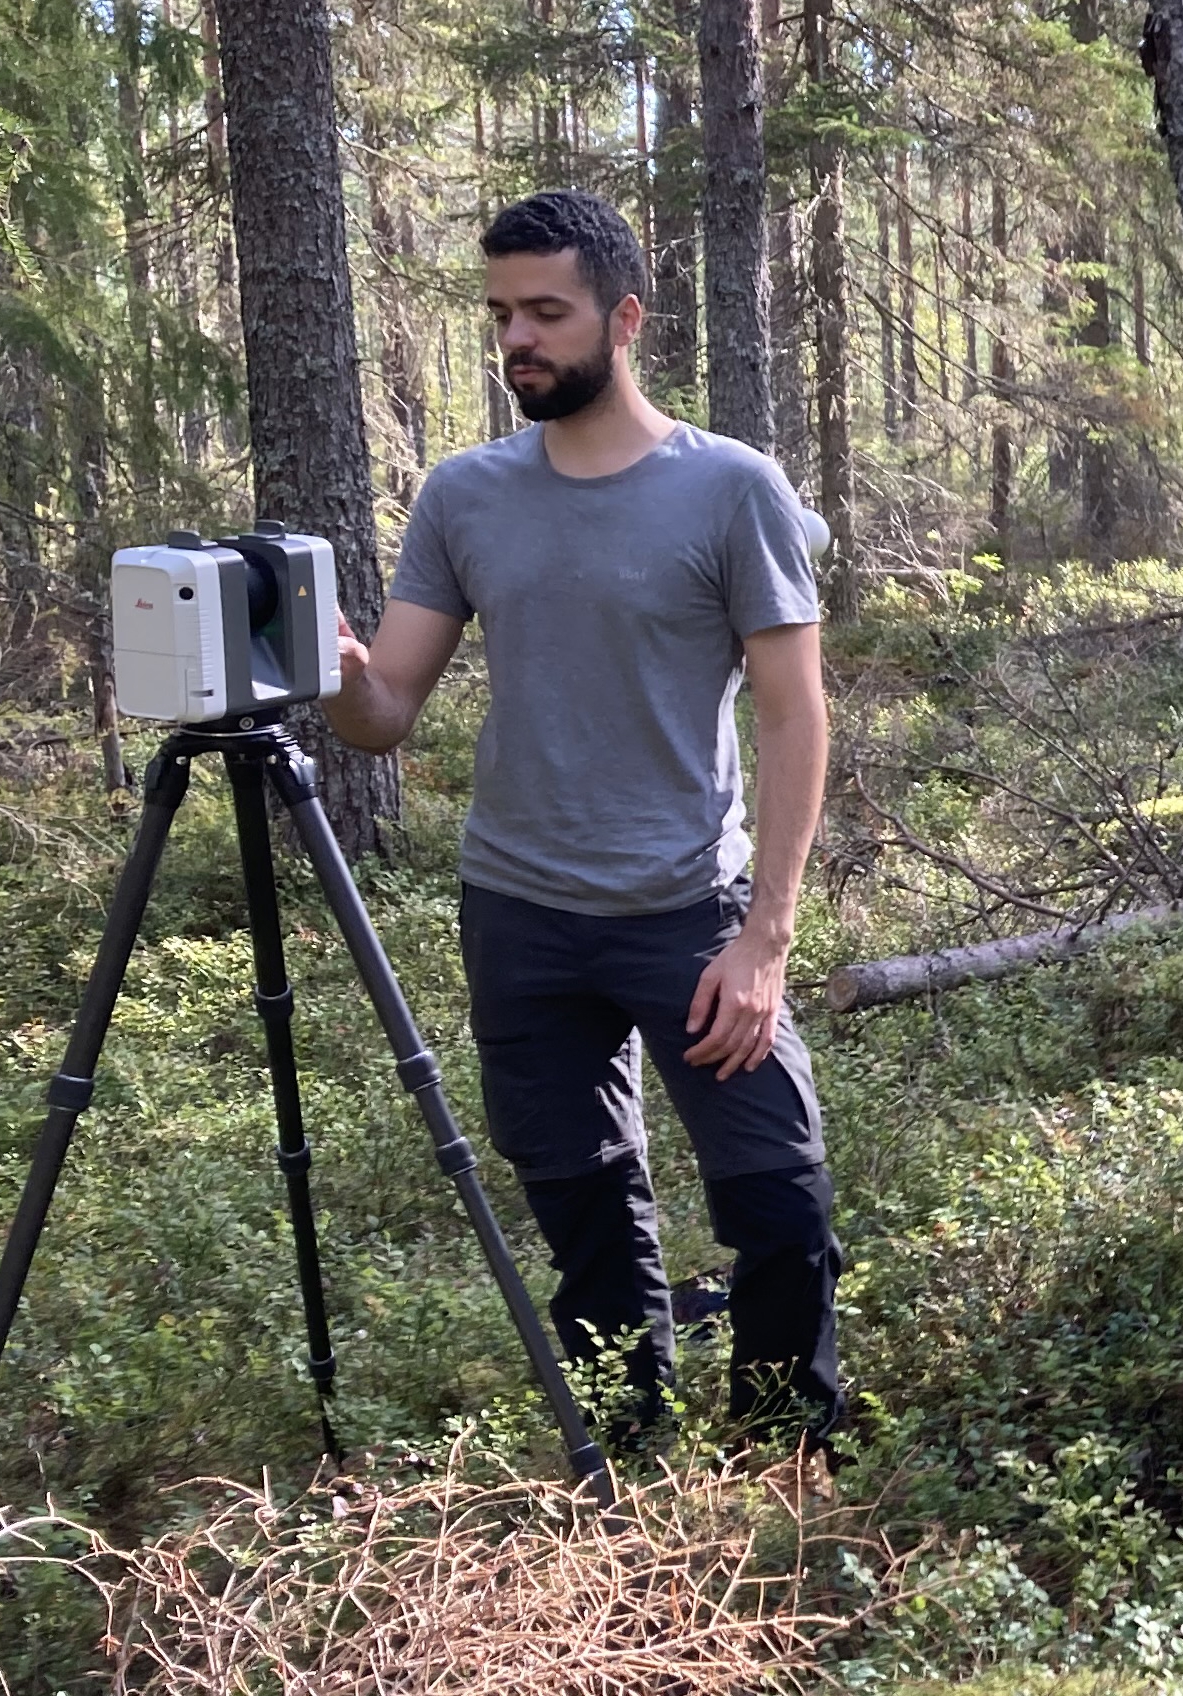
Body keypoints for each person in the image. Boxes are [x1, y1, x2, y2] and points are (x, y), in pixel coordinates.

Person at [320, 188, 839, 1449]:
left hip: (689, 911)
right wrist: (326, 664)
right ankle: (626, 1447)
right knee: (581, 1198)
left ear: (625, 318)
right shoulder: (465, 495)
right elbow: (387, 711)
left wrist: (763, 937)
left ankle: (785, 1459)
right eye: (501, 315)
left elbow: (793, 718)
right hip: (521, 913)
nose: (519, 340)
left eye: (546, 312)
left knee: (777, 1196)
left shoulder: (731, 490)